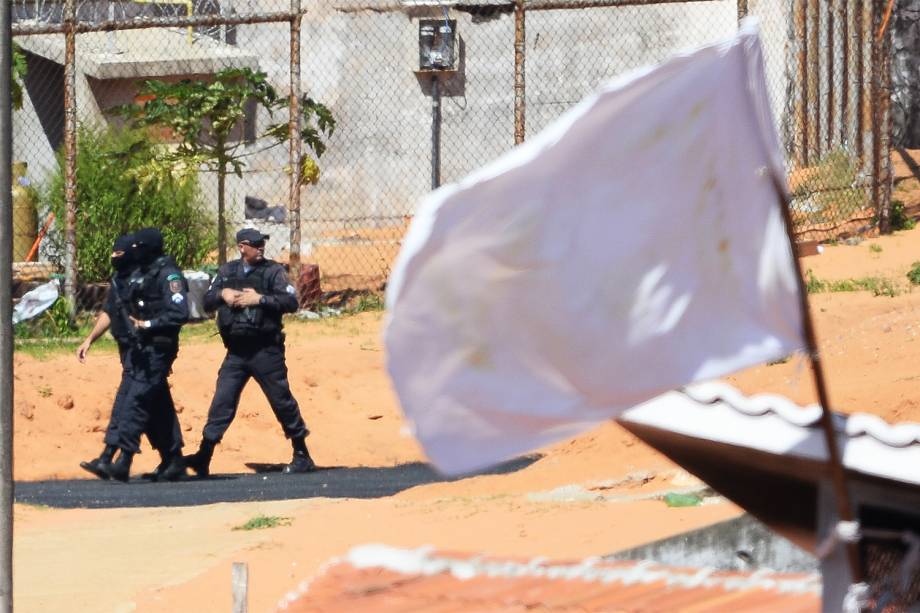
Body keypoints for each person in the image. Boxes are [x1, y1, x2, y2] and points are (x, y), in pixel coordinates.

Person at [185, 228, 315, 477]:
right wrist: (223, 294)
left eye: (262, 243)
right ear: (242, 247)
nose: (261, 247)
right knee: (222, 401)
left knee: (281, 400)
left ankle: (302, 454)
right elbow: (207, 301)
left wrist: (260, 300)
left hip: (266, 350)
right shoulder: (226, 272)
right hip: (236, 352)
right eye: (255, 244)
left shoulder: (273, 272)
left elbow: (291, 302)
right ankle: (204, 455)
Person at [105, 227, 190, 482]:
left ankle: (124, 458)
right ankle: (173, 458)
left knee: (138, 399)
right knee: (156, 402)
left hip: (159, 347)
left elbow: (179, 313)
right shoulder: (142, 273)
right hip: (140, 349)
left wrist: (148, 325)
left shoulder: (169, 274)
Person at [76, 233, 138, 479]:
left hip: (144, 355)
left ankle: (114, 457)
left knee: (131, 404)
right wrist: (89, 339)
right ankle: (172, 458)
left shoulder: (143, 279)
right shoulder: (119, 280)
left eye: (119, 254)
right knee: (150, 407)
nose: (114, 258)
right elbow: (109, 311)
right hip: (127, 352)